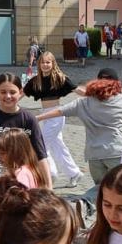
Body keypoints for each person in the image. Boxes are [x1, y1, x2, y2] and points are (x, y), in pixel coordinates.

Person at [39, 71, 122, 185]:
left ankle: (86, 201)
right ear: (117, 84)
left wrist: (38, 118)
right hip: (116, 152)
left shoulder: (83, 102)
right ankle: (86, 200)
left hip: (94, 154)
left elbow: (60, 111)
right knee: (120, 187)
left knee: (100, 188)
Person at [24, 52, 83, 187]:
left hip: (56, 114)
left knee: (41, 144)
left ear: (53, 63)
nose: (45, 65)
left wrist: (95, 94)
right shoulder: (36, 80)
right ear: (39, 64)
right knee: (58, 146)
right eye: (43, 62)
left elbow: (77, 90)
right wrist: (10, 99)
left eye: (48, 62)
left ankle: (51, 173)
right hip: (45, 113)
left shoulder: (59, 78)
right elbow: (22, 92)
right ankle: (74, 173)